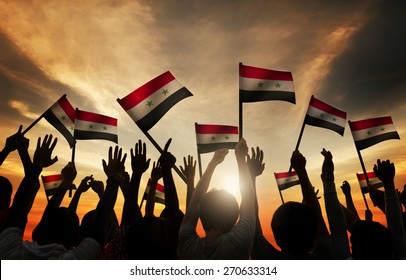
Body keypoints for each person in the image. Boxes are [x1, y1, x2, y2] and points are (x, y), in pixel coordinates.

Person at [177, 138, 255, 259]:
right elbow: (249, 196)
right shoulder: (239, 244)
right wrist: (240, 158)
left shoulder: (187, 246)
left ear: (201, 213)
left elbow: (195, 201)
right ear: (235, 217)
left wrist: (212, 164)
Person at [252, 149, 332, 260]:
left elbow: (252, 224)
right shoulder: (326, 257)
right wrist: (301, 170)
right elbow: (317, 217)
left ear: (277, 238)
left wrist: (250, 177)